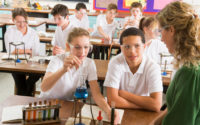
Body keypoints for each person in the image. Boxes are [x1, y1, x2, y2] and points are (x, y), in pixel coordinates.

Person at [40, 28, 119, 124]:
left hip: (68, 105)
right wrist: (63, 69)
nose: (82, 52)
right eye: (77, 47)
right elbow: (44, 87)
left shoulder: (89, 63)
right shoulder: (57, 60)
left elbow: (96, 94)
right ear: (68, 47)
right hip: (48, 104)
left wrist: (109, 110)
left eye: (86, 47)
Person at [156, 1, 200, 124]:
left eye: (161, 31)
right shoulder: (188, 63)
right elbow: (173, 105)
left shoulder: (190, 72)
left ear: (171, 30)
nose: (161, 38)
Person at [104, 27, 163, 112]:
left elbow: (156, 105)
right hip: (120, 113)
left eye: (137, 46)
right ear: (121, 48)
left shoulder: (153, 67)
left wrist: (124, 94)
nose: (132, 51)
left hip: (144, 116)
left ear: (144, 47)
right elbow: (112, 101)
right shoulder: (115, 62)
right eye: (127, 46)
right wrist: (145, 106)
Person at [4, 8, 41, 96]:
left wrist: (20, 51)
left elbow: (36, 52)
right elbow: (11, 51)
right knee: (19, 75)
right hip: (16, 63)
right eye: (18, 22)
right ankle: (26, 96)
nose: (22, 24)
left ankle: (22, 96)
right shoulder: (10, 32)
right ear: (13, 20)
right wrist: (27, 50)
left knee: (37, 73)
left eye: (24, 21)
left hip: (31, 62)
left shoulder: (33, 33)